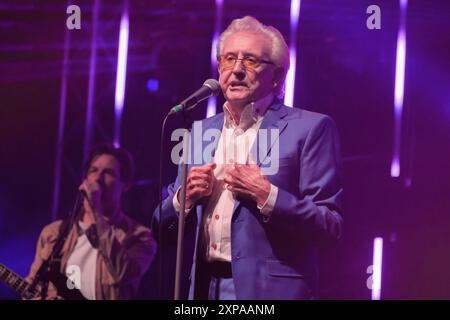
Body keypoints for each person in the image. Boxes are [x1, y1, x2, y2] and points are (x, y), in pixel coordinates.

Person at [153, 16, 343, 300]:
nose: (237, 70)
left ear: (277, 76)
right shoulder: (201, 132)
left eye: (252, 60)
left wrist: (268, 195)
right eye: (229, 59)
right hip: (205, 290)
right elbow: (160, 226)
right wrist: (185, 199)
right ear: (219, 70)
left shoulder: (310, 128)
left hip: (270, 293)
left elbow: (329, 227)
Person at [26, 144, 157, 300]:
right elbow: (34, 286)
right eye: (93, 170)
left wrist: (95, 212)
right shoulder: (53, 233)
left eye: (108, 173)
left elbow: (123, 273)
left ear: (125, 186)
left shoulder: (139, 236)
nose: (97, 178)